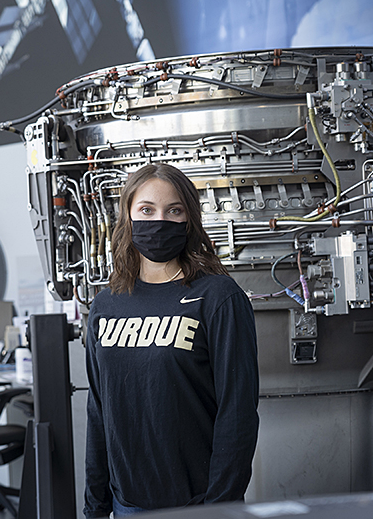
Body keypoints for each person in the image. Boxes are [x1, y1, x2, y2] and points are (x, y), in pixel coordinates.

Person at [83, 163, 260, 517]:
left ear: (189, 220)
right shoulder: (106, 304)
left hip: (196, 506)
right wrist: (95, 507)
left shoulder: (218, 298)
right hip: (125, 505)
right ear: (128, 218)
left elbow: (237, 415)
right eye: (147, 210)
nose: (159, 220)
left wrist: (219, 508)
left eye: (173, 211)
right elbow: (100, 413)